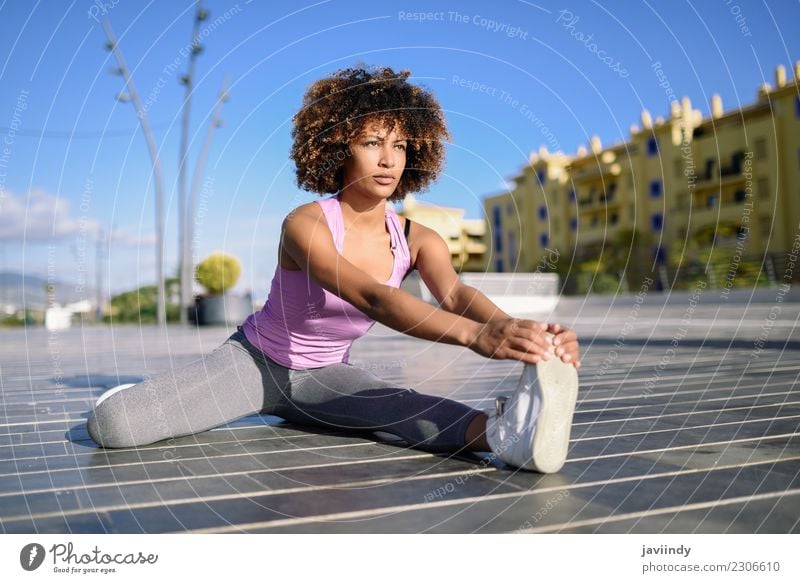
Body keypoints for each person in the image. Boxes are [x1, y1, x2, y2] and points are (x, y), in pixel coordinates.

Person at [87, 65, 581, 473]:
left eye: (401, 147)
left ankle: (507, 432)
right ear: (339, 147)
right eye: (372, 143)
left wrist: (521, 334)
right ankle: (151, 396)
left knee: (398, 407)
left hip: (323, 378)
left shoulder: (418, 238)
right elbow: (371, 297)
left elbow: (454, 295)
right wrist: (476, 339)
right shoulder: (303, 225)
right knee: (115, 428)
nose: (389, 160)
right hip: (255, 363)